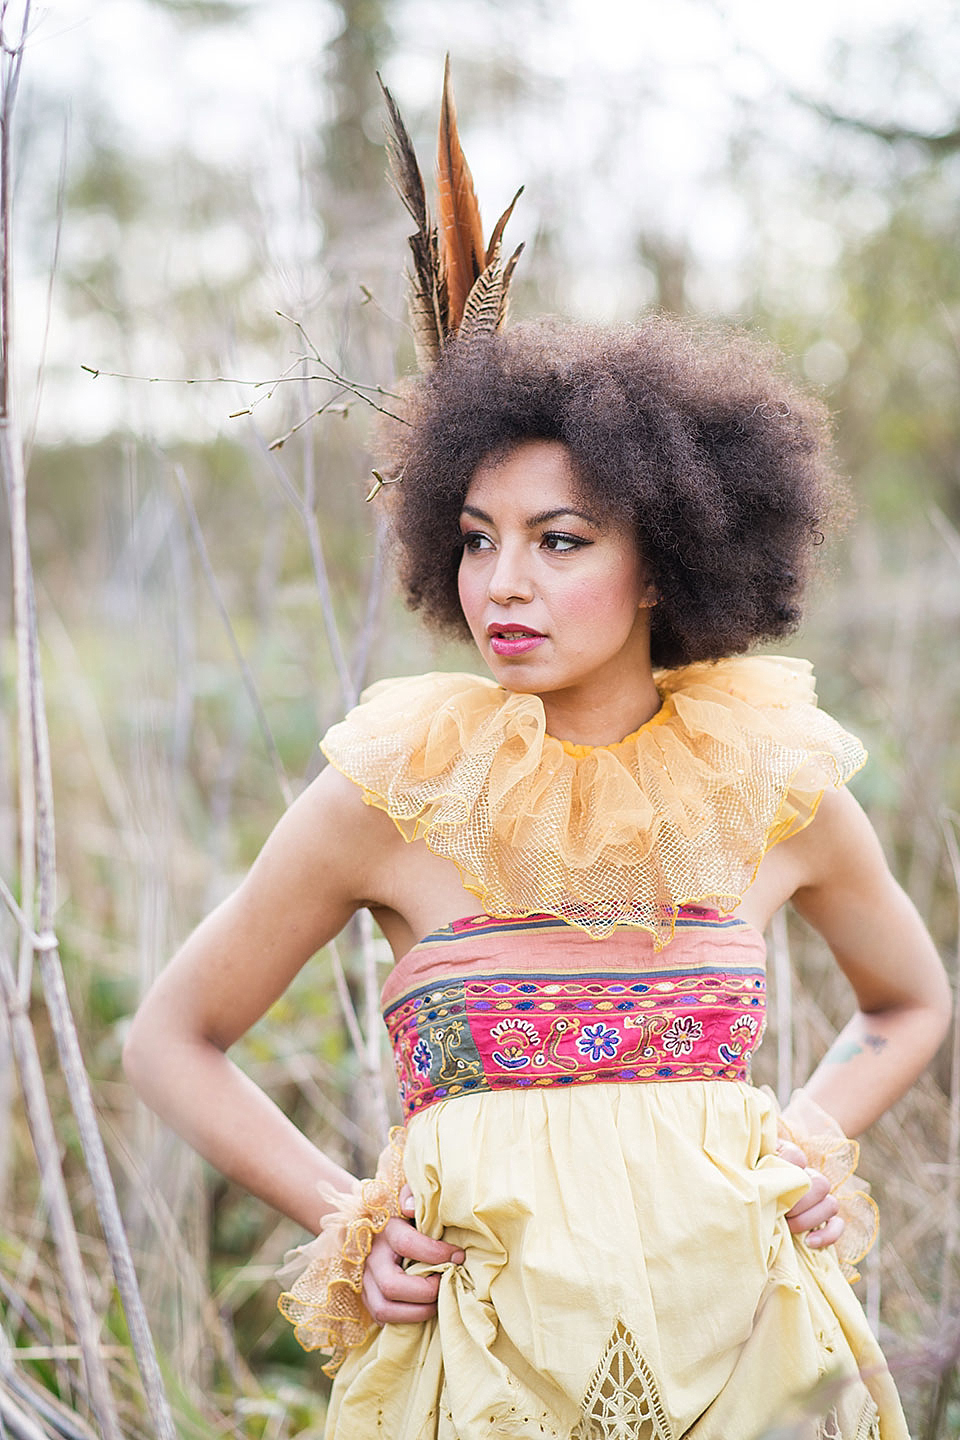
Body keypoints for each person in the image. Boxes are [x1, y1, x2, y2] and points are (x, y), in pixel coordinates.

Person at [124, 312, 950, 1440]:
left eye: (560, 540)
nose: (503, 583)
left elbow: (909, 1001)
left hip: (752, 1361)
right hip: (485, 1372)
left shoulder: (772, 787)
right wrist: (353, 1223)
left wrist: (808, 1140)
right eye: (476, 539)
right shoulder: (394, 793)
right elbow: (170, 1036)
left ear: (662, 558)